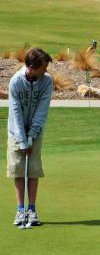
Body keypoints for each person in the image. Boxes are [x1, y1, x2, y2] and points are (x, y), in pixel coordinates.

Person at [7, 48, 53, 227]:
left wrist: (32, 135)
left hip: (36, 130)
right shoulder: (16, 82)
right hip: (15, 130)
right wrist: (21, 139)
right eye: (43, 66)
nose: (46, 70)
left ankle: (31, 210)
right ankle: (20, 210)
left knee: (33, 169)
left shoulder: (46, 81)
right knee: (18, 169)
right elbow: (15, 111)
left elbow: (42, 110)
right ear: (32, 67)